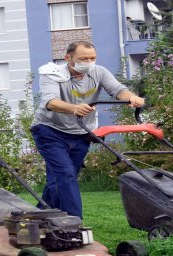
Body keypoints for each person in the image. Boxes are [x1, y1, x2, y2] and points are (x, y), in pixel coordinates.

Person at [31, 41, 145, 219]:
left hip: (81, 132)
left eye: (92, 58)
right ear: (68, 58)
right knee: (65, 175)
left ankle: (39, 216)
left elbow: (117, 89)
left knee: (60, 178)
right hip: (49, 130)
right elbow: (50, 102)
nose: (89, 62)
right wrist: (74, 108)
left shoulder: (98, 72)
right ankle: (74, 222)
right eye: (83, 58)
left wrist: (132, 98)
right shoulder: (51, 73)